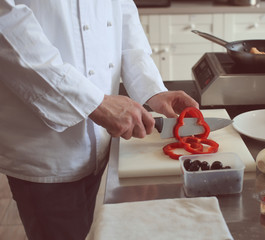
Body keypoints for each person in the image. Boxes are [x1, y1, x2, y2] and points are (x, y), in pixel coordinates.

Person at [0, 1, 199, 239]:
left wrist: (152, 90)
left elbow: (123, 15)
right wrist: (95, 102)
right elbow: (7, 26)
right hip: (43, 145)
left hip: (97, 139)